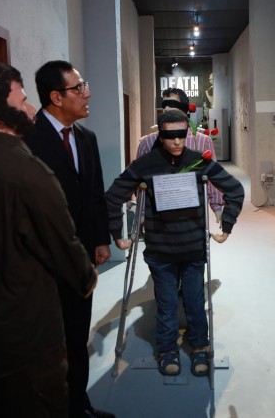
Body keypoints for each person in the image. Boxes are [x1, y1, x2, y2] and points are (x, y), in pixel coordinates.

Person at [0, 62, 98, 417]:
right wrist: (86, 277)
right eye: (22, 100)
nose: (31, 107)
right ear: (1, 109)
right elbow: (62, 243)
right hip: (26, 336)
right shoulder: (28, 171)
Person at [105, 109, 244, 377]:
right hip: (161, 248)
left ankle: (200, 346)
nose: (177, 142)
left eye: (182, 135)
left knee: (194, 300)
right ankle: (167, 349)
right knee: (167, 302)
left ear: (187, 132)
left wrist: (226, 224)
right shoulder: (145, 164)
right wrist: (117, 234)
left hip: (193, 246)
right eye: (170, 136)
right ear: (160, 134)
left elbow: (234, 188)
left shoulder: (198, 161)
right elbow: (113, 197)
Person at [23, 60, 113, 418]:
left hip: (81, 259)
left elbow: (93, 194)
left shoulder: (86, 138)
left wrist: (101, 239)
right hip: (42, 262)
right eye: (78, 89)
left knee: (78, 334)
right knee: (47, 341)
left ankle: (79, 405)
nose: (87, 93)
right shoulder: (28, 138)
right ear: (56, 97)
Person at [137, 87, 223, 221]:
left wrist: (217, 206)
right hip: (158, 213)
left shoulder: (201, 141)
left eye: (172, 105)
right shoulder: (147, 143)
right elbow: (141, 181)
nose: (166, 109)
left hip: (192, 211)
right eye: (164, 105)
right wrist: (142, 214)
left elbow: (212, 176)